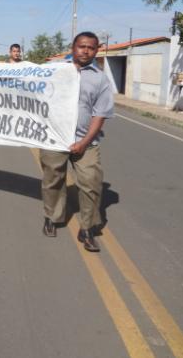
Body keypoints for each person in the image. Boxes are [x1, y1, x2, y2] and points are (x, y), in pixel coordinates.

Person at [39, 31, 114, 252]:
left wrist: (84, 142)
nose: (86, 51)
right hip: (55, 138)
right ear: (73, 47)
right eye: (81, 46)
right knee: (53, 180)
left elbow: (99, 115)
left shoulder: (100, 79)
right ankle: (52, 218)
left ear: (96, 50)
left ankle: (88, 229)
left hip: (86, 142)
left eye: (91, 47)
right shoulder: (55, 71)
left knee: (91, 183)